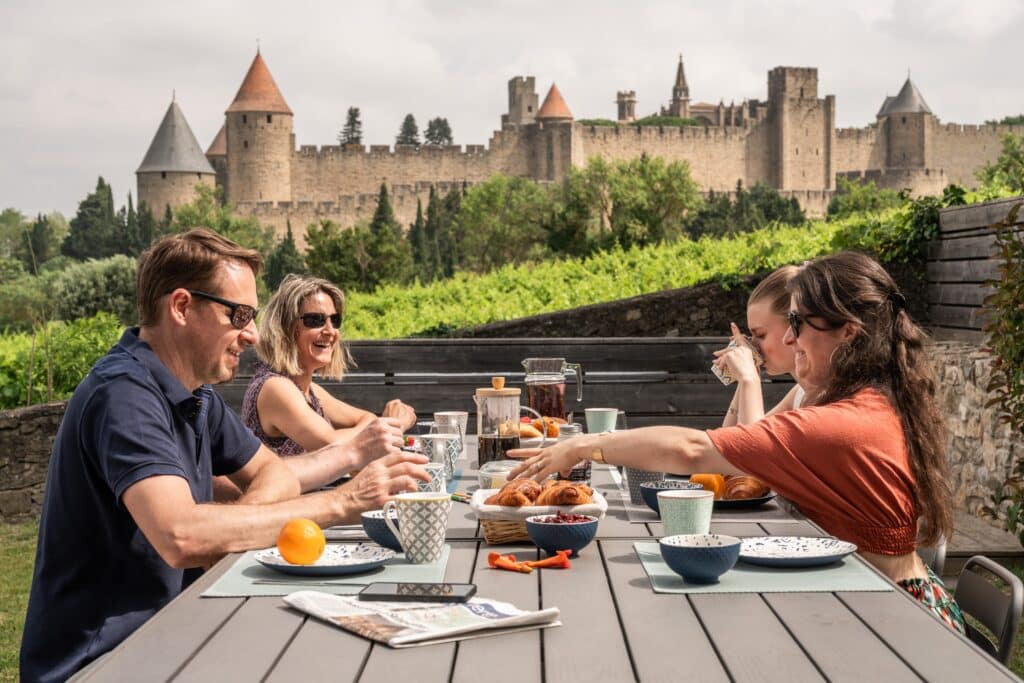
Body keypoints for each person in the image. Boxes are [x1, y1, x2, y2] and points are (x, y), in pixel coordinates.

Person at [20, 229, 429, 682]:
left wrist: (233, 528)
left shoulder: (197, 397)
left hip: (171, 634)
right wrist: (343, 502)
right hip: (100, 663)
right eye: (239, 315)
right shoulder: (125, 395)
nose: (252, 335)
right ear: (181, 307)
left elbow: (273, 472)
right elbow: (181, 537)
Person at [510, 251, 964, 633]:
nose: (788, 338)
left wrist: (582, 446)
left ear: (848, 331)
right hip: (867, 603)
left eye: (798, 325)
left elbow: (693, 450)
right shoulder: (862, 402)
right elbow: (733, 444)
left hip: (903, 623)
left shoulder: (844, 422)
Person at [242, 274, 416, 458]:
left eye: (335, 320)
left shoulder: (307, 390)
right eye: (315, 320)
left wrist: (381, 425)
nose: (330, 330)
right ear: (285, 328)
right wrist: (394, 424)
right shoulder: (275, 387)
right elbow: (331, 446)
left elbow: (367, 419)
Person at [713, 265, 803, 426]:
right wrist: (745, 378)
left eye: (760, 335)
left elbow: (752, 446)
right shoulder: (800, 392)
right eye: (751, 336)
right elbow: (728, 442)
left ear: (794, 327)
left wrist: (749, 379)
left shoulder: (821, 397)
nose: (753, 346)